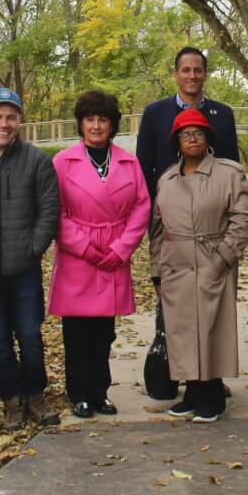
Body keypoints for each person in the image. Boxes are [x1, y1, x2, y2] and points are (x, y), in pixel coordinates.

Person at [48, 90, 151, 419]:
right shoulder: (63, 162)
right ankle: (78, 393)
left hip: (113, 253)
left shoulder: (128, 161)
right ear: (80, 123)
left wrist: (121, 248)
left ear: (112, 125)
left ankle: (100, 391)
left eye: (102, 119)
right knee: (77, 331)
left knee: (105, 332)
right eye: (90, 119)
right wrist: (84, 247)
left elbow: (142, 206)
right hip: (78, 256)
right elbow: (55, 212)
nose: (96, 125)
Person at [0, 87, 62, 430]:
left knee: (30, 334)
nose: (3, 124)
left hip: (24, 268)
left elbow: (50, 210)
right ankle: (11, 399)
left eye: (11, 117)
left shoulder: (36, 161)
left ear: (19, 120)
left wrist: (32, 248)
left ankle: (35, 394)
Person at [150, 108, 248, 422]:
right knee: (183, 330)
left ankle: (213, 395)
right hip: (175, 264)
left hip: (213, 259)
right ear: (177, 141)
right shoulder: (167, 179)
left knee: (212, 327)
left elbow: (246, 217)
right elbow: (157, 229)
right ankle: (194, 392)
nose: (192, 138)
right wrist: (157, 269)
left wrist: (224, 256)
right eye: (185, 134)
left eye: (198, 132)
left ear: (208, 138)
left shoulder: (228, 172)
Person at [135, 47, 241, 201]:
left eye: (198, 70)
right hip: (169, 209)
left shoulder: (224, 114)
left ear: (205, 75)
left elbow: (233, 165)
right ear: (175, 75)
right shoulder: (154, 113)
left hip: (215, 208)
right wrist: (154, 210)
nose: (192, 76)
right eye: (186, 70)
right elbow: (143, 169)